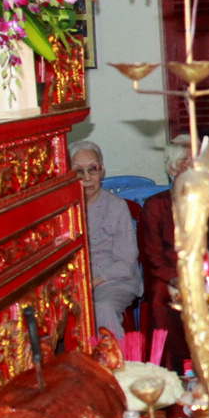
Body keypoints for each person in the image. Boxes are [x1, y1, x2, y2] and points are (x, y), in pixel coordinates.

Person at [71, 139, 142, 341]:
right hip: (75, 282)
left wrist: (93, 281)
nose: (86, 177)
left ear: (102, 170)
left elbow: (126, 261)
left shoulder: (117, 206)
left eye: (92, 169)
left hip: (112, 279)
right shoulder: (64, 209)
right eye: (78, 171)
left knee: (101, 308)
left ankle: (117, 368)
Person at [137, 137, 198, 369]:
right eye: (186, 161)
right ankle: (174, 371)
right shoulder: (156, 205)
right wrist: (177, 278)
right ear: (172, 168)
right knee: (163, 298)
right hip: (170, 277)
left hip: (206, 276)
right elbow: (152, 254)